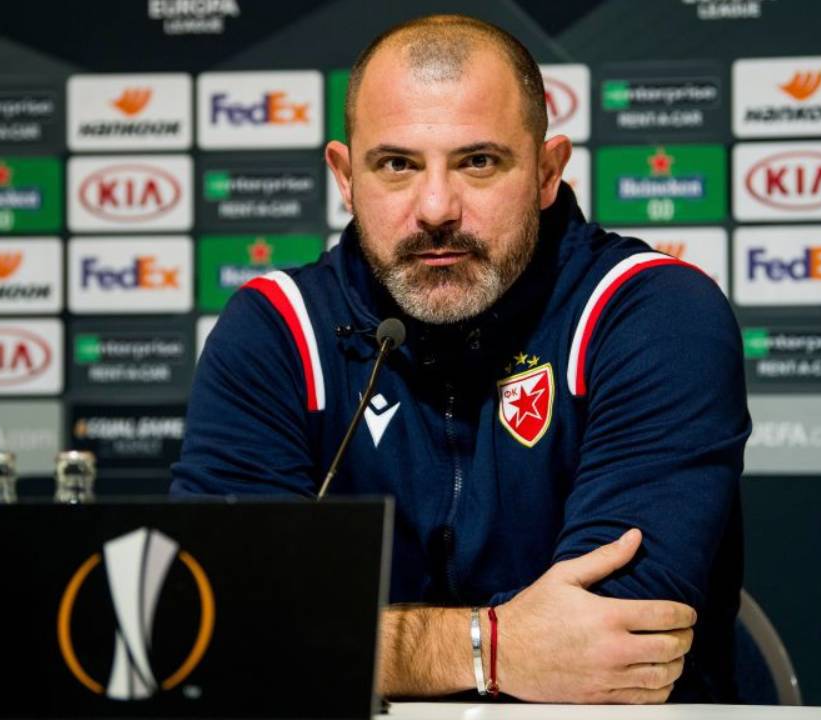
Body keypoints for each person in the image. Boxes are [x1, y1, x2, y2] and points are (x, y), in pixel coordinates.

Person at [172, 14, 751, 704]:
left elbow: (612, 639)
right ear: (346, 177)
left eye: (478, 162)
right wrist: (490, 646)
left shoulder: (653, 312)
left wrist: (338, 640)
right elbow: (215, 624)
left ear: (546, 172)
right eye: (397, 165)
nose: (436, 208)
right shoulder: (275, 330)